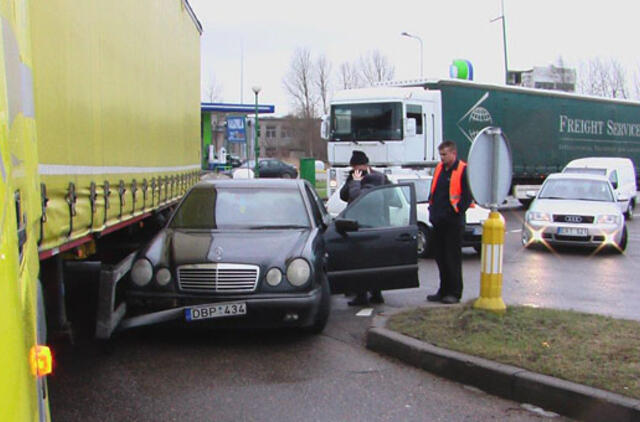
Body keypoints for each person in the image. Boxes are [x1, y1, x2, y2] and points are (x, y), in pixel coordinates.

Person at [340, 150, 390, 306]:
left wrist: (354, 182)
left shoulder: (374, 179)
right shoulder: (381, 177)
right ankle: (376, 293)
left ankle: (363, 295)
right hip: (377, 224)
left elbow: (356, 197)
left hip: (362, 226)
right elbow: (343, 195)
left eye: (355, 166)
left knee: (361, 262)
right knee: (374, 261)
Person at [426, 141, 472, 305]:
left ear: (453, 153)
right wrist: (432, 211)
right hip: (438, 221)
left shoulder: (462, 170)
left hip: (453, 223)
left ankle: (454, 292)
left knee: (452, 258)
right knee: (440, 257)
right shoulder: (439, 168)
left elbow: (467, 197)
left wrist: (455, 212)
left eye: (445, 155)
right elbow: (434, 191)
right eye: (441, 155)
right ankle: (443, 290)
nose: (442, 158)